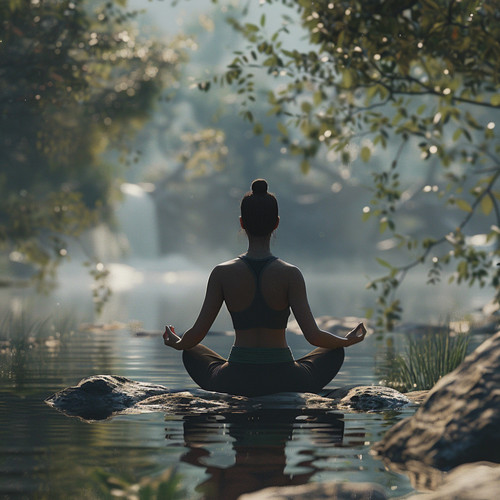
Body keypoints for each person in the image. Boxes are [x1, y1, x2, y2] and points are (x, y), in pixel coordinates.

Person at [163, 179, 366, 397]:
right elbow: (313, 336)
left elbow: (196, 335)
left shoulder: (222, 273)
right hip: (287, 378)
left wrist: (178, 343)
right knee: (334, 352)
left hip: (233, 379)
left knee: (191, 352)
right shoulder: (291, 274)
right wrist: (346, 341)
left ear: (241, 223)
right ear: (276, 223)